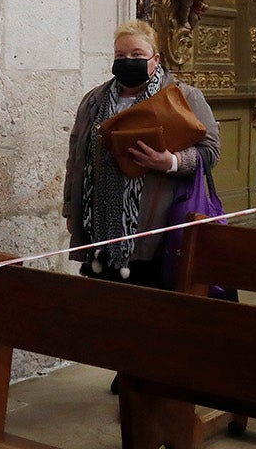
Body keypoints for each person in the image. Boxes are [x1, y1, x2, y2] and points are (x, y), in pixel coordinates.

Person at [63, 20, 220, 288]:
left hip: (156, 232)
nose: (127, 61)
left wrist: (170, 162)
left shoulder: (184, 96)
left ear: (155, 58)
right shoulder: (94, 101)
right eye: (120, 56)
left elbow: (210, 151)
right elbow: (76, 159)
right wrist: (71, 210)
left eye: (136, 55)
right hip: (99, 229)